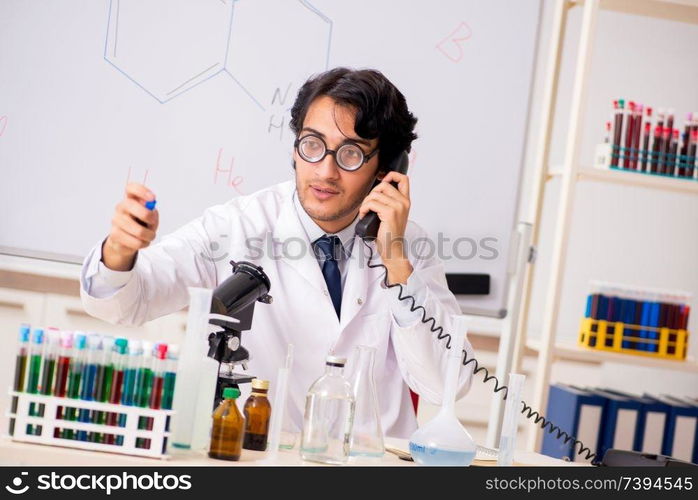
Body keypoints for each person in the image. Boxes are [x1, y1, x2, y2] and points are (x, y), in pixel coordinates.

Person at [80, 67, 475, 438]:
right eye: (313, 145)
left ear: (386, 167)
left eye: (351, 153)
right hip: (262, 459)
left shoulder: (409, 248)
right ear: (295, 147)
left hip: (370, 466)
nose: (325, 171)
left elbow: (446, 385)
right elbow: (128, 303)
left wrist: (395, 262)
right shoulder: (238, 225)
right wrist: (120, 250)